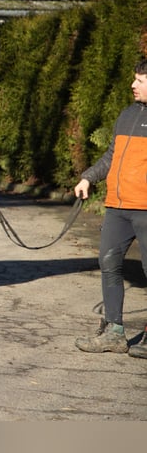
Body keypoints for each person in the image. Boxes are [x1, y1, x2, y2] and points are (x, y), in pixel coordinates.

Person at [74, 58, 147, 358]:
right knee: (109, 265)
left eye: (140, 80)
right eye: (135, 79)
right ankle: (115, 332)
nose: (133, 84)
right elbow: (111, 156)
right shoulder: (127, 114)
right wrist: (87, 177)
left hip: (145, 209)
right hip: (117, 207)